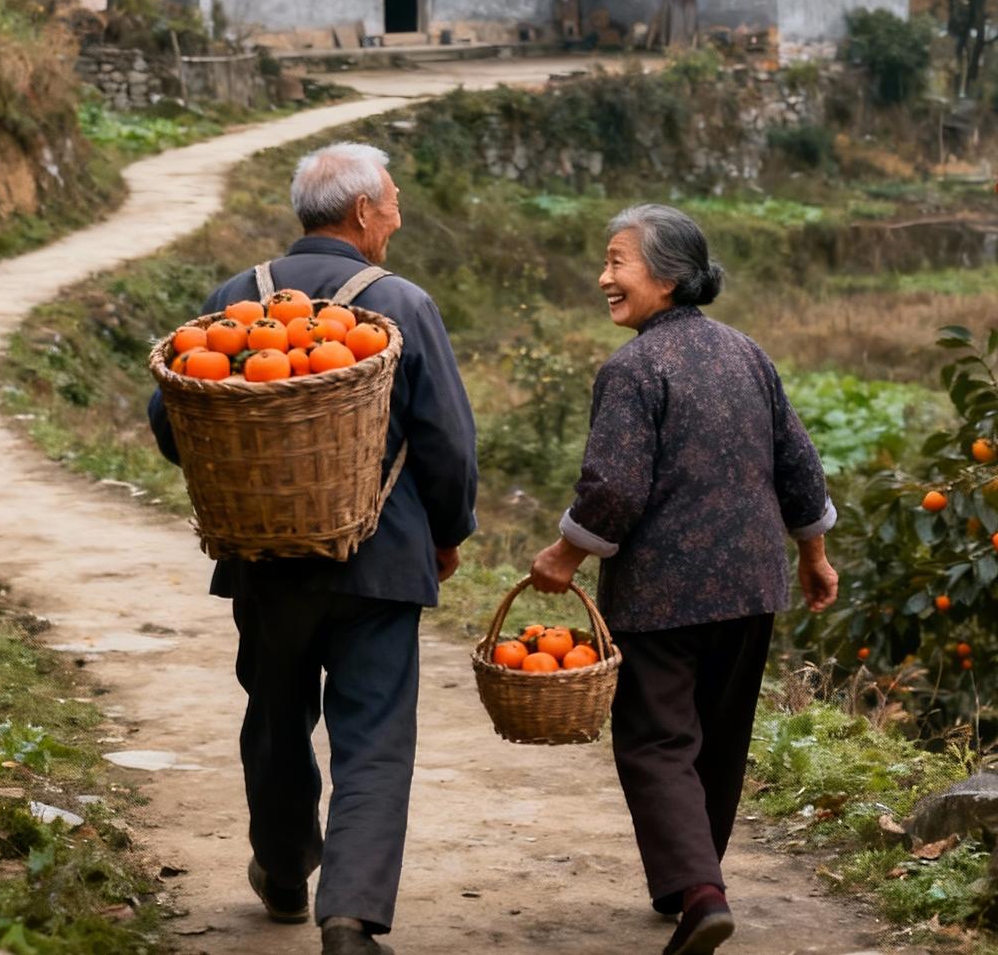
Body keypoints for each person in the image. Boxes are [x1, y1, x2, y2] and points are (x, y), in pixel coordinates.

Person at [148, 141, 478, 955]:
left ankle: (286, 867)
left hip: (263, 558)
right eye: (393, 202)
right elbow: (447, 440)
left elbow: (171, 416)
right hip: (381, 561)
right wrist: (445, 534)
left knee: (275, 717)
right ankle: (350, 918)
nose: (397, 216)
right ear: (363, 211)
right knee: (375, 737)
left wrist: (241, 477)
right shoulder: (402, 304)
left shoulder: (235, 300)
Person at [529, 203, 838, 955]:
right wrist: (813, 553)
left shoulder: (633, 369)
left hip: (661, 595)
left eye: (617, 262)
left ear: (668, 277)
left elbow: (613, 487)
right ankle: (691, 885)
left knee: (656, 740)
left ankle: (699, 893)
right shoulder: (745, 353)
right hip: (751, 585)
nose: (603, 278)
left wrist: (564, 555)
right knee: (719, 739)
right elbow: (798, 463)